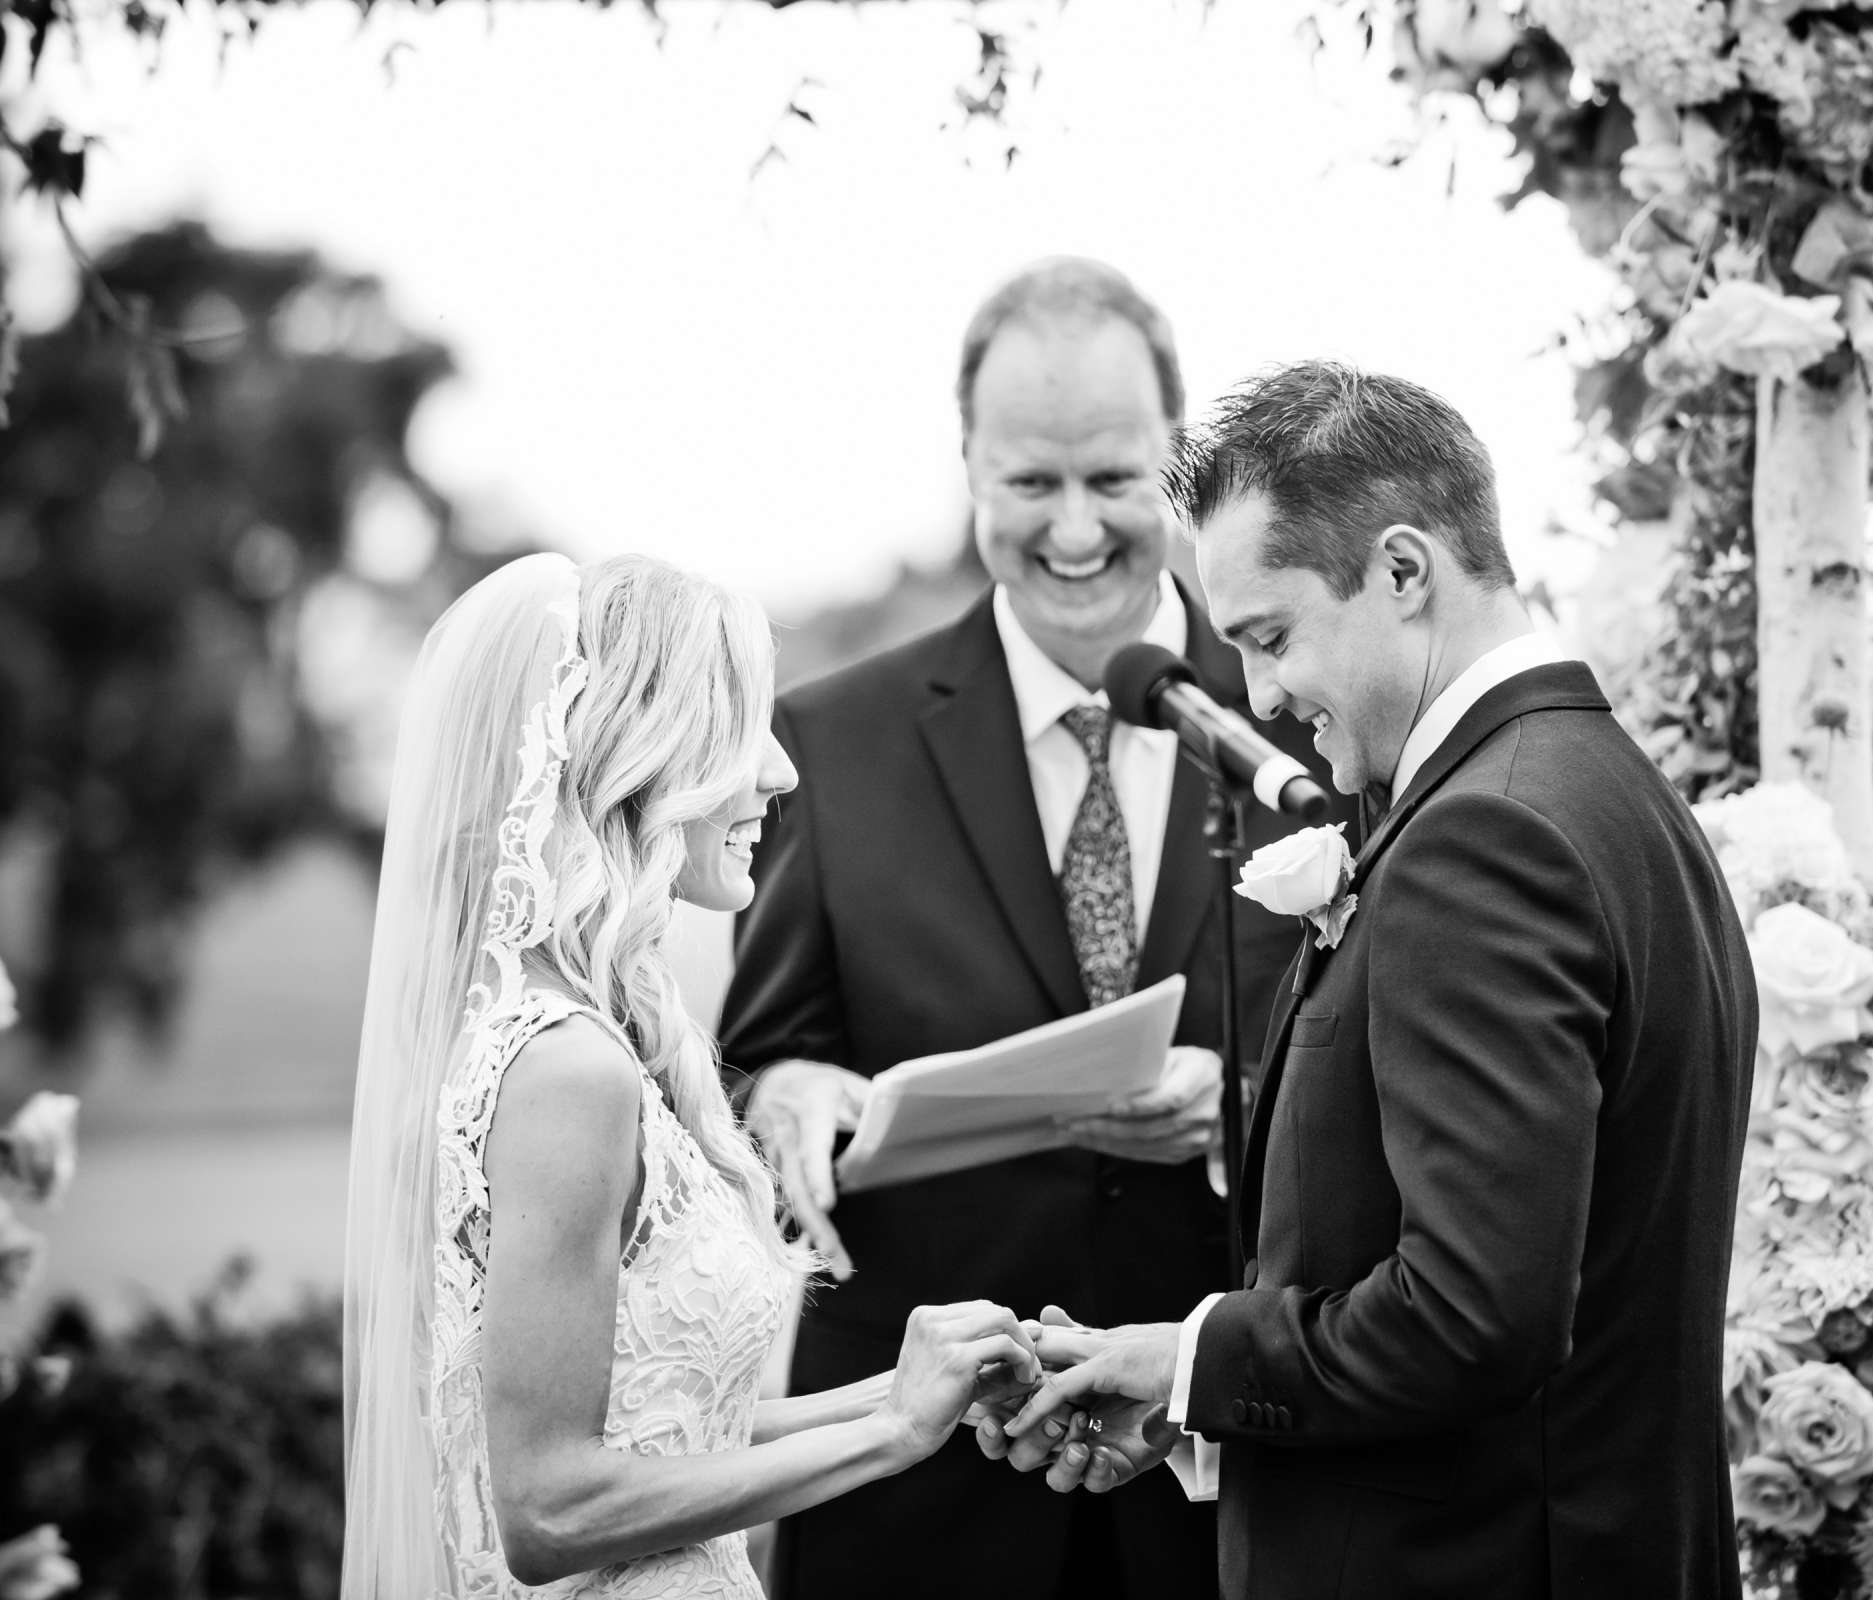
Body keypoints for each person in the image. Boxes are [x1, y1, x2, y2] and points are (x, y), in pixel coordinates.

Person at [995, 363, 1760, 1599]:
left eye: (1271, 634)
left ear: (1405, 572)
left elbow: (1471, 1316)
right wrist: (1197, 1402)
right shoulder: (1608, 793)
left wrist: (1195, 1359)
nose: (1258, 697)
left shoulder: (1484, 839)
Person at [715, 259, 1354, 1600]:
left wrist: (1234, 1109)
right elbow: (756, 1053)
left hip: (1233, 1479)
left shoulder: (1313, 724)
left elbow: (1402, 1068)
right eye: (1029, 483)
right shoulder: (829, 743)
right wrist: (786, 1093)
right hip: (918, 1495)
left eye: (1114, 480)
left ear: (1176, 464)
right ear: (969, 468)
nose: (1074, 530)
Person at [341, 552, 1043, 1599]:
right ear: (638, 750)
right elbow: (546, 1506)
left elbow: (657, 1419)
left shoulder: (573, 1035)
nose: (781, 771)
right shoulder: (567, 1071)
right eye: (737, 726)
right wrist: (891, 1433)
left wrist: (901, 1393)